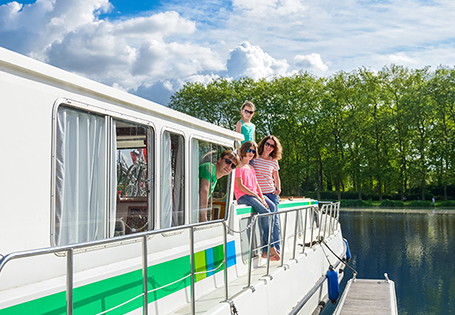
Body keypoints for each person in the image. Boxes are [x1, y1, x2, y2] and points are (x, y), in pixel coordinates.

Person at [234, 141, 280, 261]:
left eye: (253, 151)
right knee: (265, 211)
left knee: (271, 209)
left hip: (254, 195)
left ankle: (265, 251)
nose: (251, 153)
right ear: (243, 151)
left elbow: (257, 185)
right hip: (244, 196)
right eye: (249, 150)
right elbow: (240, 186)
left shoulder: (251, 167)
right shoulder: (239, 166)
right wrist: (258, 197)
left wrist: (262, 197)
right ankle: (270, 246)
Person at [254, 135, 282, 254]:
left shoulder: (273, 161)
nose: (269, 147)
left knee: (275, 221)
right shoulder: (254, 158)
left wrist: (278, 188)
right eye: (267, 144)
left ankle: (277, 249)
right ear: (263, 144)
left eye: (272, 146)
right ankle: (267, 249)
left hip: (271, 193)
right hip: (260, 194)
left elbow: (276, 176)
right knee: (267, 218)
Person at [199, 150, 240, 222]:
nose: (229, 167)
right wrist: (203, 218)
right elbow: (203, 192)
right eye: (227, 161)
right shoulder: (209, 168)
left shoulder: (215, 177)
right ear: (220, 160)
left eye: (233, 166)